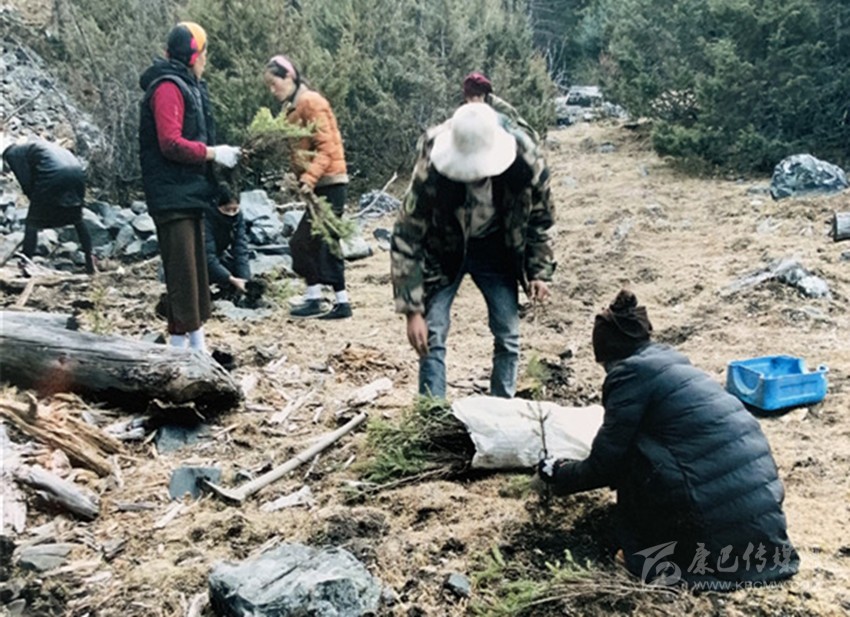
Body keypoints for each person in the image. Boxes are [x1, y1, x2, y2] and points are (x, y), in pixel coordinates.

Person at [536, 289, 800, 590]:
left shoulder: (629, 375)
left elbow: (606, 464)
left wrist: (558, 472)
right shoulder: (674, 366)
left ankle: (648, 555)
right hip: (763, 522)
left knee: (635, 462)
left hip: (715, 523)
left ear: (610, 355)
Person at [391, 102, 555, 399]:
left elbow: (539, 220)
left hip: (497, 246)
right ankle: (431, 412)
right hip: (443, 248)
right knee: (432, 333)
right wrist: (412, 310)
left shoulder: (527, 162)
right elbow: (407, 234)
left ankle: (502, 408)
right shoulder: (432, 165)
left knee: (508, 334)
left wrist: (538, 271)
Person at [138, 21, 241, 352]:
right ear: (194, 55)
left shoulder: (186, 86)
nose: (206, 60)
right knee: (183, 277)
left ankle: (192, 349)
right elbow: (170, 143)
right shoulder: (168, 88)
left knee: (193, 276)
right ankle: (183, 356)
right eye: (204, 52)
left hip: (188, 195)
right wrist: (213, 153)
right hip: (172, 197)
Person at [263, 54, 352, 320]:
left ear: (289, 77)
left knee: (321, 241)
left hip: (331, 183)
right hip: (320, 186)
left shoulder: (311, 102)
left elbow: (326, 148)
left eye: (274, 83)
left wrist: (308, 179)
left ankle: (340, 303)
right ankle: (316, 298)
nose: (272, 90)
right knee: (307, 243)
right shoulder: (292, 108)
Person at [2, 139, 95, 274]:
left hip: (54, 172)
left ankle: (25, 261)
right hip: (77, 172)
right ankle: (89, 258)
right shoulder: (35, 147)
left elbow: (25, 180)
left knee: (32, 222)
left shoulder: (12, 154)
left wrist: (36, 202)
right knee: (77, 218)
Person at [462, 72, 540, 143]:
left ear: (483, 96)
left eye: (475, 98)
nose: (472, 103)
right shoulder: (465, 111)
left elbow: (523, 135)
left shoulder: (501, 110)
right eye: (469, 99)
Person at [205, 183, 250, 299]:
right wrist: (231, 279)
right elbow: (208, 256)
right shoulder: (206, 218)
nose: (231, 214)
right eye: (226, 210)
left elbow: (241, 249)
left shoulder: (238, 217)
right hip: (202, 259)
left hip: (220, 254)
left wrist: (244, 279)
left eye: (235, 209)